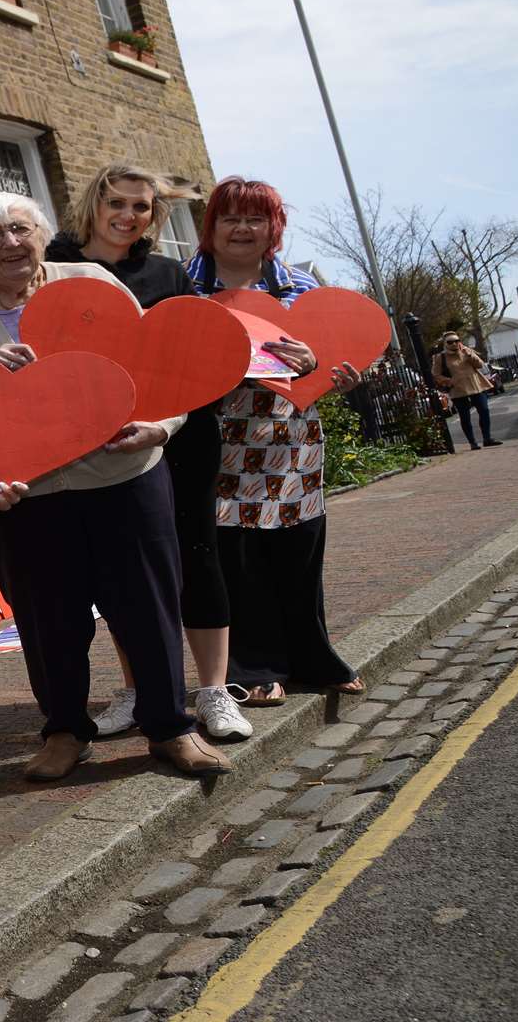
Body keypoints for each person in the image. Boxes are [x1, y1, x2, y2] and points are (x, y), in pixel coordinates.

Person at [0, 191, 233, 783]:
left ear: (41, 234)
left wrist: (163, 426)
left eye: (19, 228)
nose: (9, 242)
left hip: (119, 474)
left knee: (146, 604)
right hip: (27, 493)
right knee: (47, 618)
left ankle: (170, 726)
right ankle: (65, 730)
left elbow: (154, 364)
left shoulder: (90, 280)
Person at [46, 165, 252, 743]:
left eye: (141, 207)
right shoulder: (56, 268)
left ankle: (214, 692)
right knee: (121, 571)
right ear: (93, 203)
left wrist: (165, 419)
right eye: (116, 202)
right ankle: (140, 690)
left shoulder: (166, 272)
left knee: (198, 554)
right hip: (99, 443)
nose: (128, 215)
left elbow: (192, 351)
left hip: (181, 433)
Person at [184, 177, 364, 706]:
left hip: (292, 436)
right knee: (239, 556)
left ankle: (311, 656)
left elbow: (331, 362)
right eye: (229, 218)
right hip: (218, 438)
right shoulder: (185, 289)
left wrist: (332, 373)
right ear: (210, 227)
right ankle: (255, 665)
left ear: (273, 229)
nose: (242, 229)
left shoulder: (303, 289)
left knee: (298, 548)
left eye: (255, 219)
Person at [432, 332, 500, 449]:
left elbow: (480, 365)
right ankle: (472, 442)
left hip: (476, 386)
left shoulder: (466, 351)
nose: (454, 344)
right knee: (465, 417)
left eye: (456, 341)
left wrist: (469, 355)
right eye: (450, 342)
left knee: (484, 410)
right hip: (458, 391)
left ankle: (487, 438)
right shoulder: (440, 357)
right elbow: (436, 374)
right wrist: (448, 381)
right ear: (445, 343)